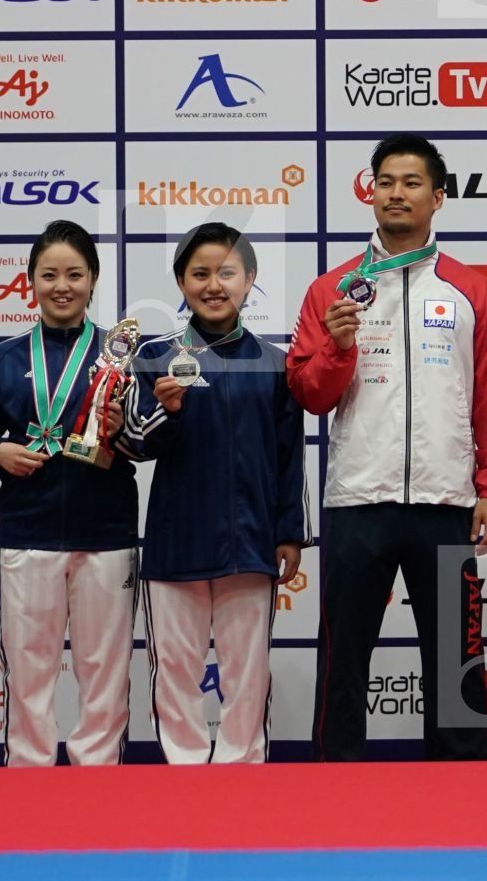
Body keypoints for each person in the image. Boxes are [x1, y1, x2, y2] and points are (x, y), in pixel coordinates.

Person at [288, 133, 487, 761]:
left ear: (439, 197)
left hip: (446, 499)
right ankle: (334, 786)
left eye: (412, 182)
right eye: (385, 181)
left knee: (458, 661)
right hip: (359, 498)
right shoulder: (332, 288)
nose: (396, 193)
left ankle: (462, 793)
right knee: (343, 658)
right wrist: (335, 347)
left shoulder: (473, 289)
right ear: (371, 192)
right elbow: (310, 393)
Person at [120, 222, 307, 764]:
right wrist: (167, 410)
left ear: (250, 279)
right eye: (199, 273)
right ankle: (183, 767)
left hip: (250, 543)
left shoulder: (274, 363)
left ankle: (241, 767)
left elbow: (289, 456)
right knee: (174, 669)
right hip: (176, 539)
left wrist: (289, 532)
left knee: (247, 669)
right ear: (181, 282)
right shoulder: (152, 356)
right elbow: (132, 444)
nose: (213, 284)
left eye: (226, 272)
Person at [0, 220, 137, 766]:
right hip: (28, 531)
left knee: (104, 669)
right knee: (29, 668)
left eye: (75, 275)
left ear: (94, 280)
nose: (63, 286)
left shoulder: (122, 356)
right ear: (29, 282)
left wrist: (120, 424)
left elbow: (150, 438)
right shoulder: (2, 360)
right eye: (50, 274)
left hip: (106, 533)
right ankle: (29, 778)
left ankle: (98, 779)